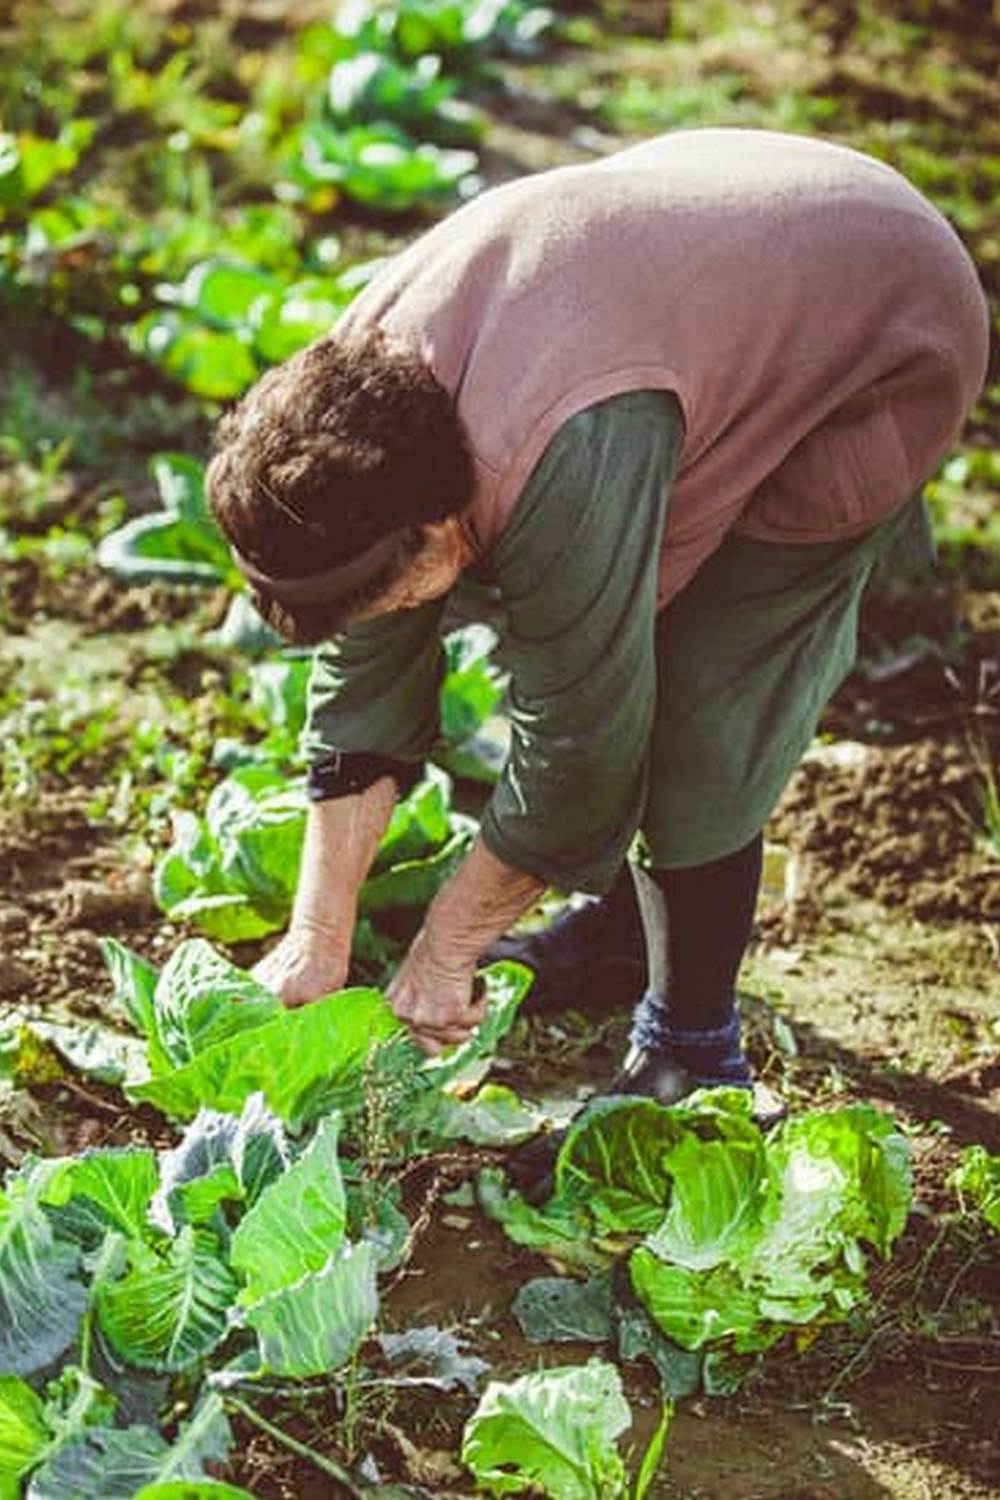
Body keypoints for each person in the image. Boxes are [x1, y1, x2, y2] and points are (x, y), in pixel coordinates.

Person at [206, 128, 989, 1122]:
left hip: (877, 312)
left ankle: (692, 1049)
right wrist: (315, 939)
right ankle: (622, 935)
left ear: (436, 526)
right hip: (704, 260)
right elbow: (364, 678)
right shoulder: (342, 430)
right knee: (600, 634)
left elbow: (579, 749)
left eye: (392, 594)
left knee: (701, 695)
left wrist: (444, 956)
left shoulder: (553, 454)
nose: (389, 618)